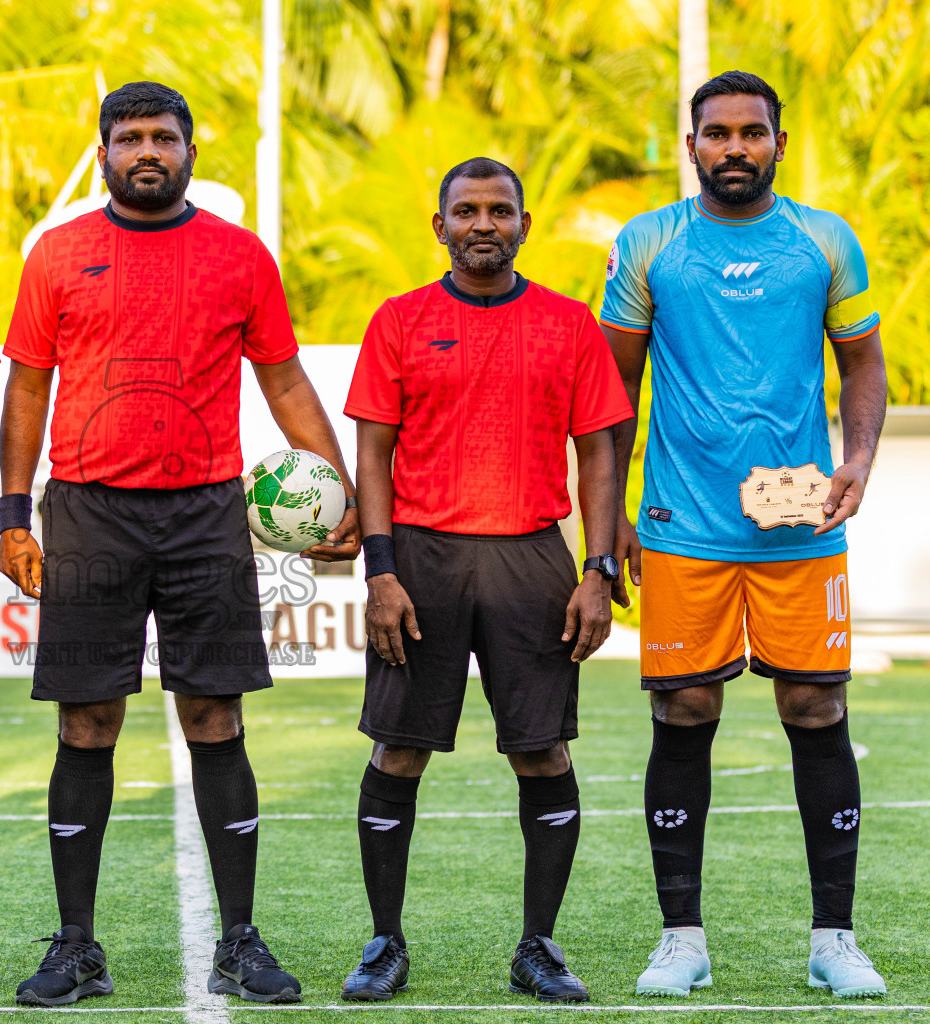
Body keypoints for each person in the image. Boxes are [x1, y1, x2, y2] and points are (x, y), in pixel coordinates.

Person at [0, 80, 359, 1007]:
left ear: (192, 151)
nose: (147, 151)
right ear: (104, 153)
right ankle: (76, 946)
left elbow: (284, 382)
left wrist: (338, 490)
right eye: (129, 138)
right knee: (87, 724)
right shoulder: (58, 254)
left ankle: (239, 941)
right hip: (88, 512)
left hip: (206, 513)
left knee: (215, 720)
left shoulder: (240, 255)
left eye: (164, 136)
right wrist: (12, 513)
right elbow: (27, 387)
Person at [601, 71, 889, 998]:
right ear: (692, 145)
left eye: (751, 132)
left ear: (778, 143)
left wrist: (859, 458)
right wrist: (610, 520)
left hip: (801, 522)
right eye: (717, 133)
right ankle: (680, 938)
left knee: (816, 709)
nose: (735, 147)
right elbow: (613, 394)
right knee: (685, 711)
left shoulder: (823, 239)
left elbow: (863, 364)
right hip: (683, 524)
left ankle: (834, 940)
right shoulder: (650, 242)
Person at [339, 157, 632, 1004]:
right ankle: (384, 943)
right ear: (440, 227)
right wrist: (380, 569)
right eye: (465, 211)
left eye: (499, 211)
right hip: (420, 558)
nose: (483, 224)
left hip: (532, 557)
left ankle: (538, 946)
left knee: (542, 750)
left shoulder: (569, 324)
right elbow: (373, 454)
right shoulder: (399, 320)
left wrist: (598, 567)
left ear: (523, 226)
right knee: (399, 748)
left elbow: (599, 455)